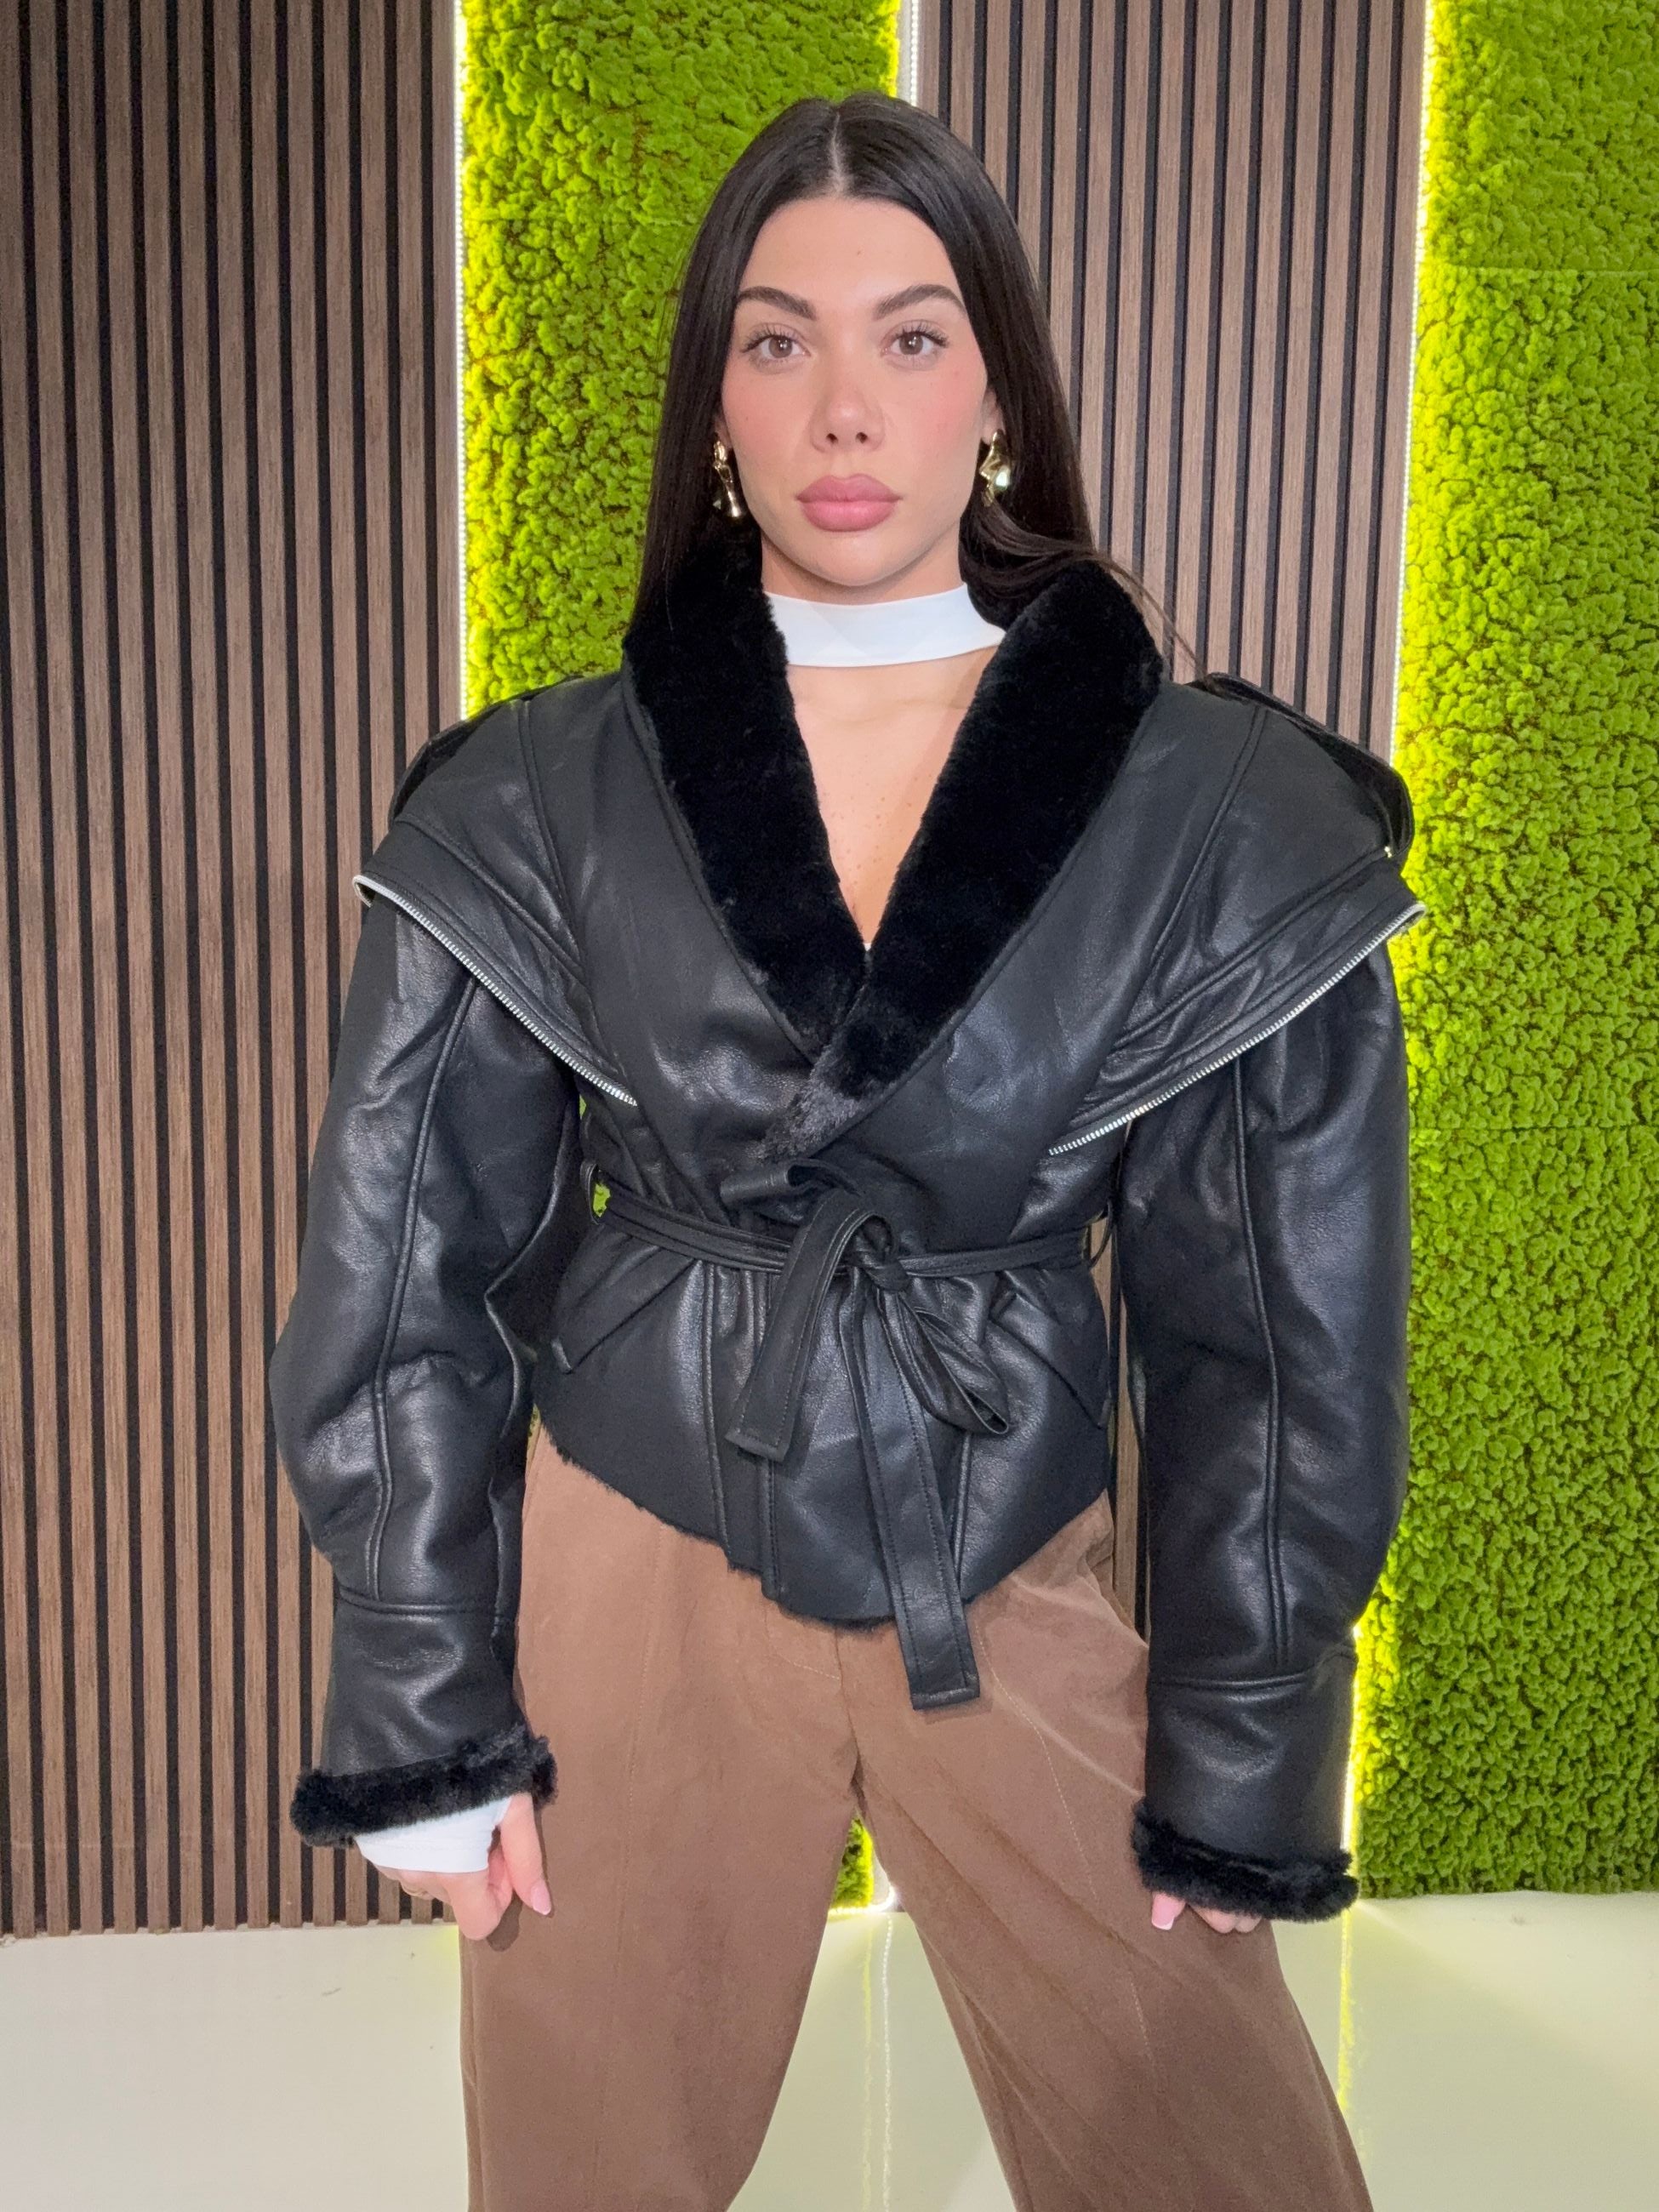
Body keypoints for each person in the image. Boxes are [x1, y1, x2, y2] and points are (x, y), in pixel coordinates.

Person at [269, 90, 1423, 2212]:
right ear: (716, 401)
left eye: (910, 334)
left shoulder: (1213, 814)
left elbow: (1272, 1325)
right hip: (629, 1558)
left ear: (997, 383)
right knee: (587, 2176)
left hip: (1010, 1546)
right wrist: (425, 1698)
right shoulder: (532, 799)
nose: (844, 408)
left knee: (1218, 2157)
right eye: (778, 340)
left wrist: (1250, 1733)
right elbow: (405, 1267)